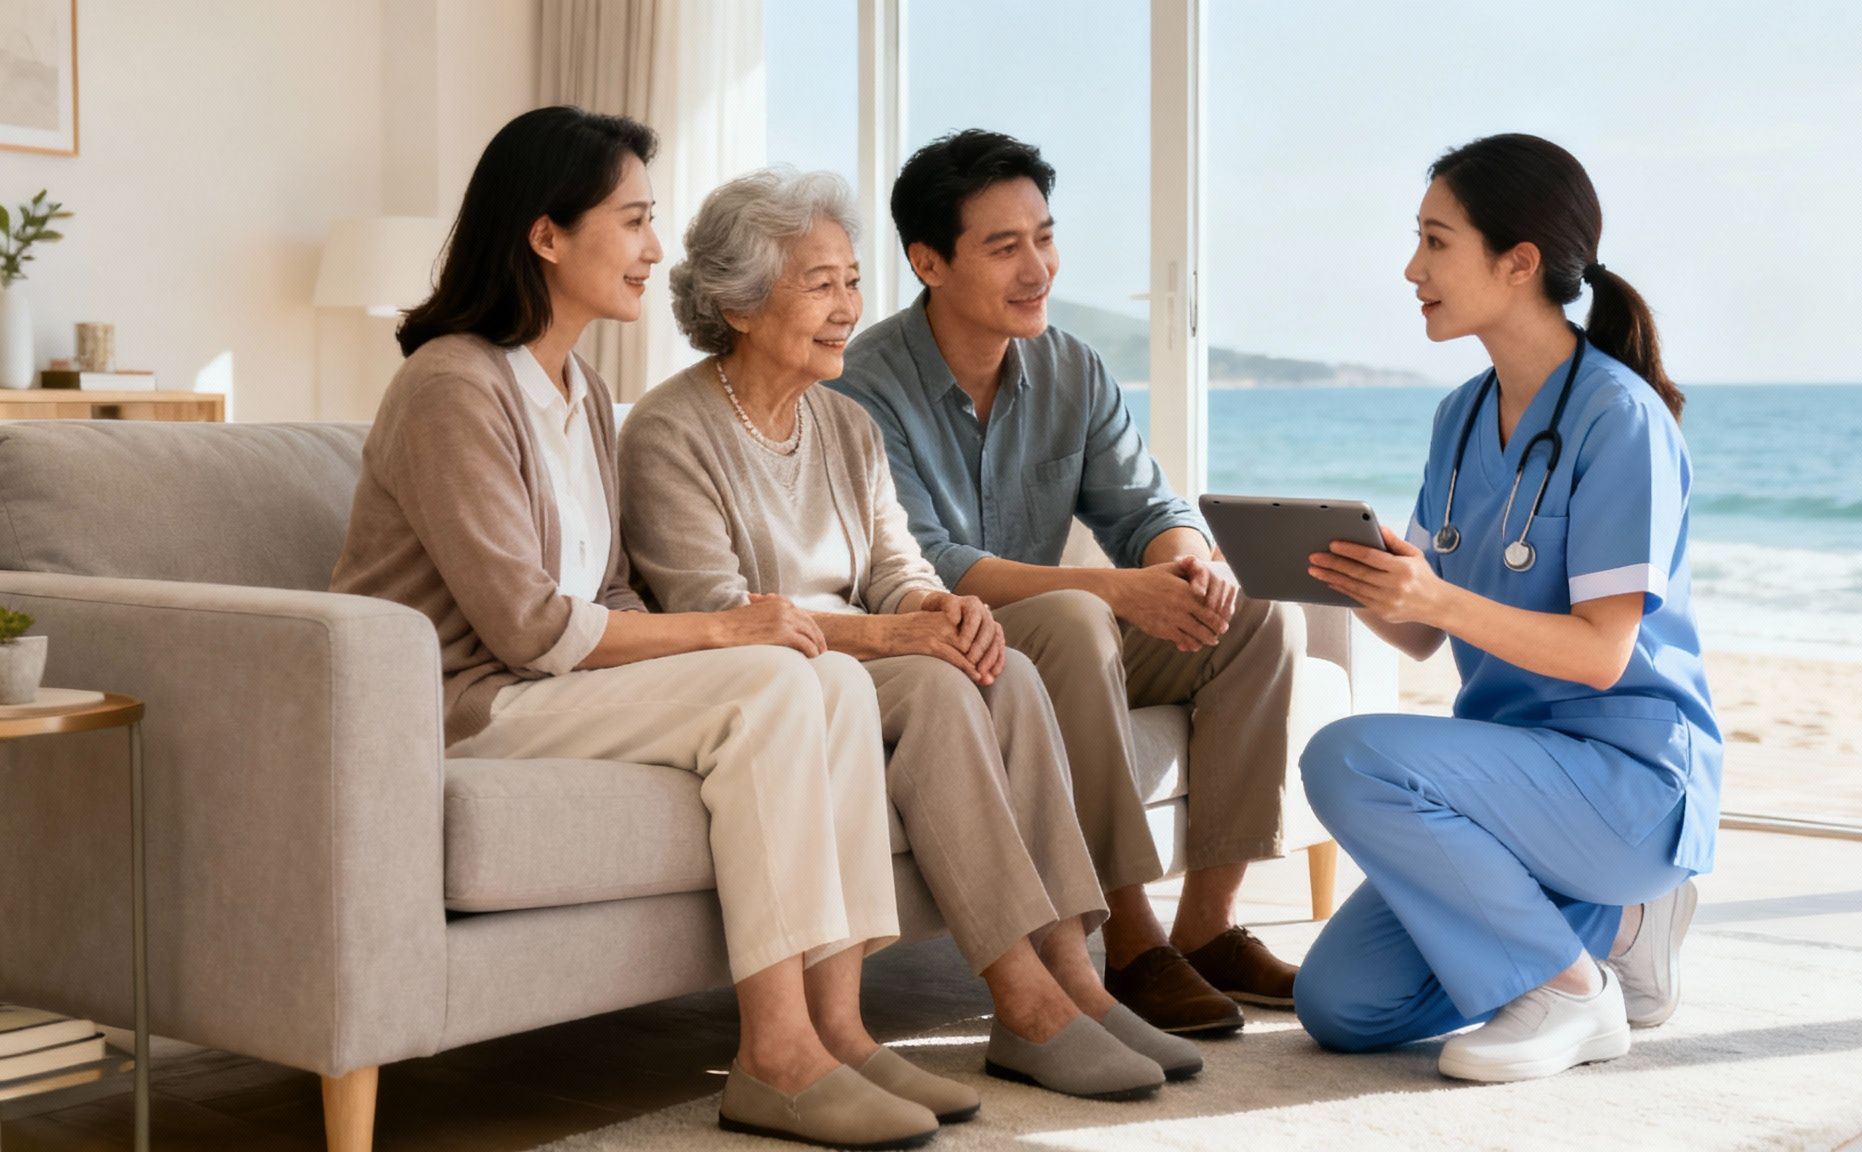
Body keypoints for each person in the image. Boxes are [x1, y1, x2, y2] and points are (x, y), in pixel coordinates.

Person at [330, 107, 942, 1149]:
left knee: (828, 679)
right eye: (634, 220)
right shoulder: (451, 384)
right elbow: (523, 626)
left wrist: (739, 634)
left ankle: (834, 1026)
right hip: (464, 701)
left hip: (548, 689)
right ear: (546, 236)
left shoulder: (580, 388)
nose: (655, 249)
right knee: (770, 676)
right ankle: (774, 1054)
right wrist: (723, 631)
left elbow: (605, 593)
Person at [621, 167, 1205, 1100]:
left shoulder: (846, 424)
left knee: (1002, 667)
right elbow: (725, 617)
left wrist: (945, 609)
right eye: (821, 284)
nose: (848, 306)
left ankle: (1078, 980)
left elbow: (897, 569)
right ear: (738, 302)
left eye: (853, 281)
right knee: (940, 684)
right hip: (781, 672)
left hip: (864, 652)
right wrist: (900, 642)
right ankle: (1022, 1002)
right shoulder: (669, 433)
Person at [829, 131, 1308, 1036]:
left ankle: (1206, 929)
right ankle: (1128, 941)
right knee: (1085, 619)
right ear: (927, 261)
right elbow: (928, 562)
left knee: (1254, 619)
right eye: (1003, 247)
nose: (1037, 266)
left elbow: (1145, 505)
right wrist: (1118, 593)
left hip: (1055, 630)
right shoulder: (864, 387)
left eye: (1044, 237)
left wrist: (1182, 562)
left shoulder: (1072, 368)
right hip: (938, 644)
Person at [1291, 133, 1720, 1083]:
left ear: (1518, 262)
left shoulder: (1620, 417)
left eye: (1436, 242)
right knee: (1345, 1007)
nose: (1412, 268)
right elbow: (1421, 632)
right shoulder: (1460, 416)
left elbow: (1603, 654)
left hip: (1628, 782)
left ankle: (1572, 988)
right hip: (1508, 788)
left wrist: (1435, 592)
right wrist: (1359, 578)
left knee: (1346, 753)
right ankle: (1608, 926)